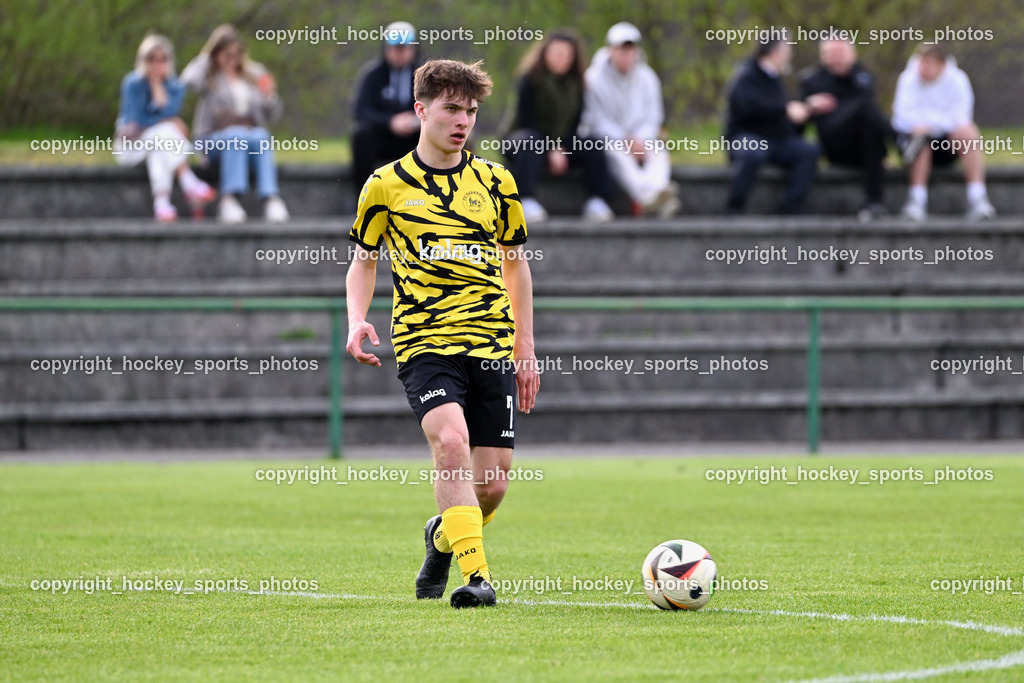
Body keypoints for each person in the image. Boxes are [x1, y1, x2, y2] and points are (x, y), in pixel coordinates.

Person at [346, 59, 540, 608]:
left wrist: (525, 347)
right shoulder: (384, 185)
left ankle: (441, 535)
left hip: (492, 344)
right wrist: (357, 318)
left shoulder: (496, 181)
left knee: (493, 486)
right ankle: (477, 580)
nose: (463, 121)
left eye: (471, 111)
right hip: (425, 343)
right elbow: (363, 262)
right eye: (452, 109)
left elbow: (516, 265)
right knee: (450, 443)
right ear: (420, 110)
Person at [502, 29, 616, 223]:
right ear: (545, 54)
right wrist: (550, 148)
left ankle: (598, 201)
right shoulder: (529, 80)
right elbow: (527, 118)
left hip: (559, 144)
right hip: (523, 141)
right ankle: (526, 200)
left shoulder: (577, 84)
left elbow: (575, 123)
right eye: (557, 53)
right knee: (530, 141)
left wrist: (561, 148)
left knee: (595, 144)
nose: (561, 59)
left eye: (566, 55)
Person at [181, 25, 289, 223]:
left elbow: (273, 115)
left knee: (262, 136)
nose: (232, 58)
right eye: (226, 54)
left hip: (248, 135)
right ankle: (228, 200)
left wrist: (270, 96)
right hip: (213, 139)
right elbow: (188, 81)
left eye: (236, 53)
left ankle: (271, 198)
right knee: (236, 135)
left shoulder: (253, 76)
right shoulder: (208, 76)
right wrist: (207, 56)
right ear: (217, 53)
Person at [580, 22, 680, 218]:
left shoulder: (648, 77)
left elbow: (653, 116)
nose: (626, 56)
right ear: (611, 51)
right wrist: (625, 139)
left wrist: (640, 139)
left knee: (658, 150)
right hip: (609, 139)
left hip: (642, 138)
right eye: (621, 50)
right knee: (616, 154)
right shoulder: (593, 79)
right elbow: (595, 119)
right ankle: (647, 196)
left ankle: (657, 193)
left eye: (630, 50)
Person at [114, 35, 216, 222]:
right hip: (132, 146)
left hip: (158, 145)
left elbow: (168, 111)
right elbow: (137, 120)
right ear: (142, 60)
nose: (156, 64)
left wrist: (158, 89)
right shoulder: (132, 84)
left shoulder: (175, 86)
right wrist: (167, 118)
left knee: (159, 148)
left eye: (162, 59)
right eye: (151, 59)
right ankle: (188, 182)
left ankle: (162, 203)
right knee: (166, 130)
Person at [891, 44, 996, 222]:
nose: (923, 69)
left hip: (947, 146)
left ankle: (977, 198)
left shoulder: (958, 80)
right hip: (913, 147)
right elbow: (901, 117)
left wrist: (928, 122)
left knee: (968, 132)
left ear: (942, 65)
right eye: (921, 63)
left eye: (928, 64)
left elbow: (962, 117)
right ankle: (916, 201)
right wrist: (929, 125)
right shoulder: (907, 79)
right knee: (920, 138)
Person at [724, 37, 821, 215]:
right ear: (776, 52)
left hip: (775, 140)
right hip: (744, 136)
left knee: (809, 151)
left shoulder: (776, 78)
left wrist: (806, 108)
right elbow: (749, 107)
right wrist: (785, 109)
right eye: (787, 52)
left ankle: (791, 207)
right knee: (754, 152)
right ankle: (734, 207)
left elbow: (780, 111)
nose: (789, 58)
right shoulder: (746, 76)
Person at [800, 40, 893, 221]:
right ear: (822, 56)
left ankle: (873, 203)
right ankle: (900, 141)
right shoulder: (811, 80)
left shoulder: (863, 77)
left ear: (852, 54)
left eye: (840, 53)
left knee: (871, 130)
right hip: (833, 146)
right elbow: (798, 122)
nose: (836, 58)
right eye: (831, 53)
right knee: (864, 107)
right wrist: (809, 106)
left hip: (862, 149)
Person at [350, 21, 422, 200]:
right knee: (361, 135)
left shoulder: (425, 75)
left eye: (404, 48)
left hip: (417, 138)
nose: (400, 52)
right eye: (395, 48)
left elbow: (437, 107)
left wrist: (415, 121)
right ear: (386, 49)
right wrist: (390, 122)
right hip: (383, 138)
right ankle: (364, 197)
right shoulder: (372, 75)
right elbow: (360, 110)